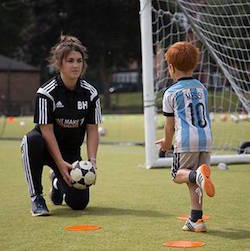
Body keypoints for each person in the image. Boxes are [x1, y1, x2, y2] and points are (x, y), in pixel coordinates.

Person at [21, 35, 102, 216]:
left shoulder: (91, 93)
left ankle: (57, 182)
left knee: (79, 203)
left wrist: (92, 160)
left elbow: (92, 129)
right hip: (44, 147)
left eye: (79, 61)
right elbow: (46, 131)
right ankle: (37, 198)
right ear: (59, 64)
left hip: (70, 152)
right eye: (70, 61)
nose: (75, 65)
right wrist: (59, 162)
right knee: (30, 140)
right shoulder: (46, 93)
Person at [156, 42, 215, 232]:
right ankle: (196, 220)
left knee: (178, 175)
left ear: (171, 67)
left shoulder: (171, 93)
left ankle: (196, 175)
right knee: (196, 181)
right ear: (194, 65)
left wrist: (165, 144)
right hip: (206, 139)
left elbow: (169, 125)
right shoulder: (202, 89)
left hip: (186, 140)